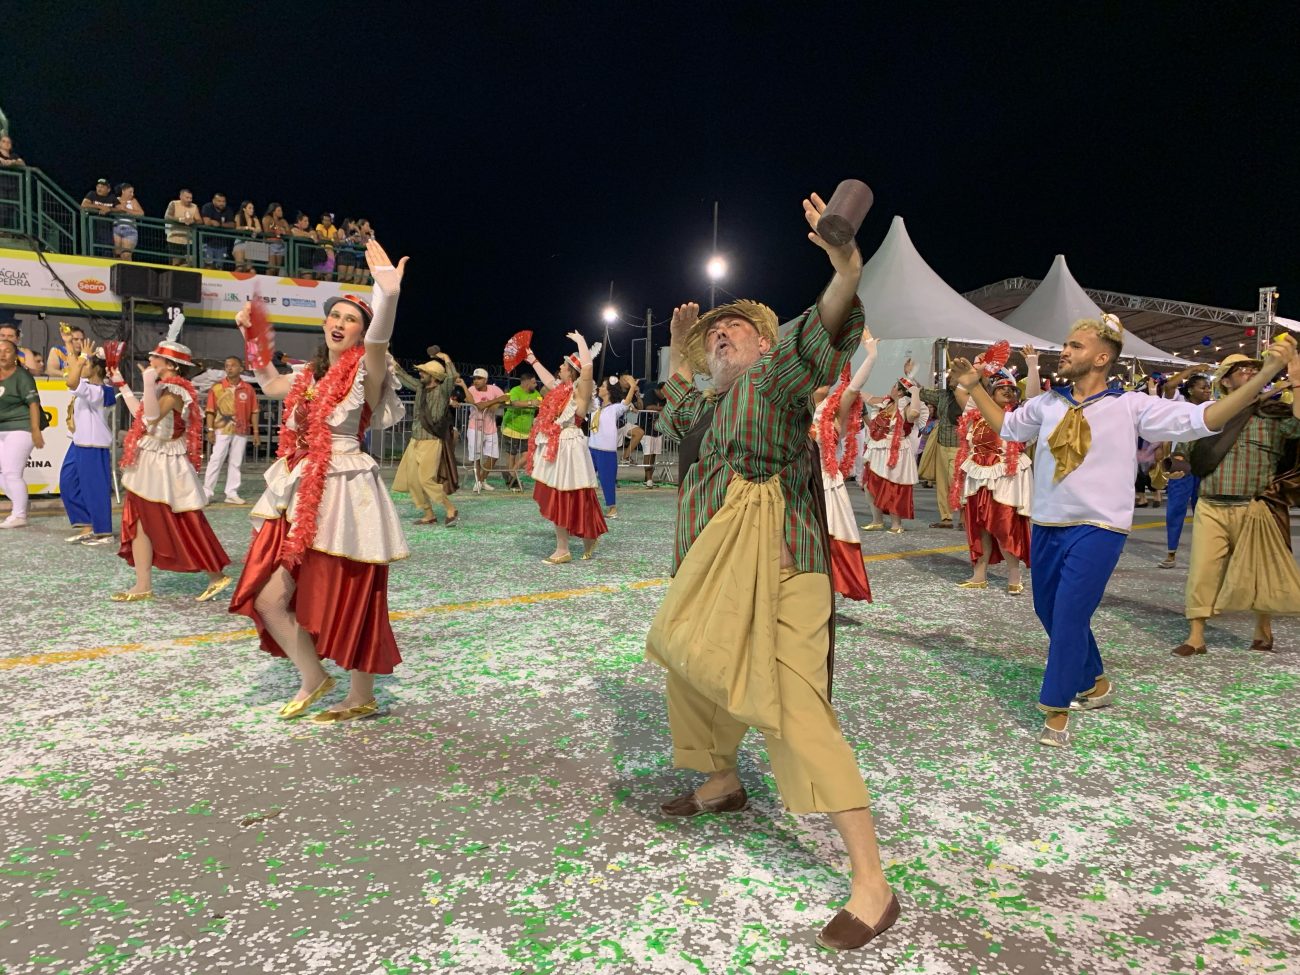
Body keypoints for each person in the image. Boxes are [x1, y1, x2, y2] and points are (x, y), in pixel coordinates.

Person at [646, 193, 896, 953]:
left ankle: (873, 883)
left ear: (765, 344)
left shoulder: (778, 378)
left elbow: (822, 331)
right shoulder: (703, 403)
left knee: (791, 703)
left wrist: (846, 262)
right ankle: (720, 779)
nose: (724, 335)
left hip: (785, 561)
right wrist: (683, 348)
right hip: (706, 565)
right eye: (714, 332)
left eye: (739, 329)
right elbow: (679, 404)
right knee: (689, 670)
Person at [950, 317, 1297, 747]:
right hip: (1047, 524)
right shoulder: (1048, 404)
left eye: (1075, 345)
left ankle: (1055, 711)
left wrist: (1265, 376)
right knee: (1050, 612)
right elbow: (1008, 428)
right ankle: (1095, 682)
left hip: (1100, 528)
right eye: (1066, 343)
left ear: (1100, 357)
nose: (1066, 351)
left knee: (1072, 614)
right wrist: (974, 386)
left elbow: (1205, 418)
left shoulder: (1131, 406)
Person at [229, 241, 410, 722]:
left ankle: (360, 694)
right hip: (303, 485)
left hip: (347, 490)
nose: (340, 322)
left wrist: (387, 297)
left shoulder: (366, 374)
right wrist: (252, 338)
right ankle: (314, 676)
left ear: (361, 330)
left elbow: (378, 346)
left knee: (353, 593)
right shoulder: (309, 377)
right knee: (270, 599)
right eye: (336, 315)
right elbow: (267, 383)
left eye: (352, 318)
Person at [1171, 349, 1300, 657]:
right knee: (1202, 570)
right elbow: (1184, 448)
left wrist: (1295, 384)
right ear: (1226, 382)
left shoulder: (1273, 414)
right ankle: (1196, 636)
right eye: (1243, 371)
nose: (1252, 374)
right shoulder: (1210, 415)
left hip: (1254, 507)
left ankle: (1262, 629)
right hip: (1210, 506)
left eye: (1256, 370)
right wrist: (1175, 464)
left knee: (1258, 572)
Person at [110, 316, 232, 601]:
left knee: (183, 520)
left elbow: (152, 417)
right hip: (151, 459)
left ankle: (216, 574)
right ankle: (143, 585)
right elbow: (142, 414)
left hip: (163, 464)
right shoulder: (164, 389)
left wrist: (148, 384)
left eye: (157, 357)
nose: (151, 358)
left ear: (172, 366)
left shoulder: (176, 391)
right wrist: (124, 386)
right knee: (139, 519)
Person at [523, 336, 607, 563]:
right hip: (557, 444)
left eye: (563, 366)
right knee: (557, 495)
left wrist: (581, 342)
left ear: (571, 372)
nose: (559, 367)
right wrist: (532, 360)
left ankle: (575, 542)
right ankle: (564, 548)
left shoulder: (581, 391)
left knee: (571, 495)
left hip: (570, 446)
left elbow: (587, 369)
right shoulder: (563, 390)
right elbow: (549, 380)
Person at [951, 366, 1032, 593]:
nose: (1007, 392)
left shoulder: (1019, 418)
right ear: (991, 393)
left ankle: (1014, 577)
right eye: (1001, 388)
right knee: (978, 527)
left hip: (1005, 478)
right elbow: (961, 391)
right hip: (977, 476)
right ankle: (979, 575)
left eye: (1012, 389)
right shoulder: (975, 416)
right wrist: (975, 371)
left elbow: (1034, 395)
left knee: (1005, 527)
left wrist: (1033, 363)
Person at [811, 329, 877, 602]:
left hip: (826, 484)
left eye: (827, 378)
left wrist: (871, 353)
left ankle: (824, 595)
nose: (823, 382)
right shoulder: (794, 410)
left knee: (829, 541)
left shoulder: (833, 411)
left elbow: (853, 387)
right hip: (798, 482)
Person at [393, 351, 460, 525]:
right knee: (413, 480)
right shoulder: (420, 388)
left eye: (423, 372)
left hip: (431, 441)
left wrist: (446, 359)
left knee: (426, 479)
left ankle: (450, 508)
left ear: (433, 376)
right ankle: (429, 514)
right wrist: (388, 359)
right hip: (415, 440)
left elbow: (452, 377)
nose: (420, 374)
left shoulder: (442, 391)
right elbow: (403, 376)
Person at [60, 347, 116, 544]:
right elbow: (71, 372)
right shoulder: (86, 384)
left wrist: (83, 356)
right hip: (78, 442)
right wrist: (69, 344)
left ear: (95, 369)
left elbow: (70, 380)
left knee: (95, 488)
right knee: (68, 482)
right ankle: (87, 523)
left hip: (94, 444)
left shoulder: (101, 391)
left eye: (85, 365)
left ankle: (104, 532)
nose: (80, 366)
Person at [861, 372, 928, 533]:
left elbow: (915, 414)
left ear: (899, 391)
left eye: (894, 386)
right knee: (869, 486)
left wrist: (916, 393)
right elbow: (867, 397)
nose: (890, 388)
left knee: (893, 487)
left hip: (896, 452)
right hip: (877, 450)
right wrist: (851, 385)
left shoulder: (906, 408)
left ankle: (896, 524)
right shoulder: (885, 403)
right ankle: (877, 520)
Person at [1158, 372, 1212, 568]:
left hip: (1206, 465)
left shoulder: (1212, 407)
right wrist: (1193, 369)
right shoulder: (1178, 402)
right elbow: (1170, 385)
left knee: (1203, 511)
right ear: (1190, 389)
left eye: (1208, 387)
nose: (1207, 390)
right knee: (1176, 509)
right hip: (1182, 465)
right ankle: (1171, 553)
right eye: (1202, 387)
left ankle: (1203, 554)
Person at [203, 356, 260, 504]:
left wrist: (255, 432)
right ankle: (207, 492)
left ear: (241, 368)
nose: (229, 368)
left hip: (241, 429)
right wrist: (209, 429)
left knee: (236, 462)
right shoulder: (217, 388)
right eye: (227, 365)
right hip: (222, 428)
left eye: (233, 365)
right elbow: (210, 410)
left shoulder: (248, 389)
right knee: (216, 459)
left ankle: (231, 493)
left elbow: (254, 411)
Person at [0, 337, 43, 528]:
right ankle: (21, 501)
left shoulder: (22, 376)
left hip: (21, 427)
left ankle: (19, 515)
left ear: (15, 356)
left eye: (7, 351)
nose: (2, 354)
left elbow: (34, 404)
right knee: (7, 474)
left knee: (11, 472)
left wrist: (35, 431)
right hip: (2, 428)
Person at [916, 364, 964, 529]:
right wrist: (912, 375)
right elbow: (923, 392)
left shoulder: (969, 396)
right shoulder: (944, 395)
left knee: (958, 482)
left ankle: (965, 518)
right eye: (949, 376)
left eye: (954, 375)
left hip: (960, 445)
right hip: (943, 444)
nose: (950, 378)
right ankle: (946, 518)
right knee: (942, 483)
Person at [589, 374, 638, 518]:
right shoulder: (595, 405)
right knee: (586, 478)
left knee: (607, 480)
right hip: (591, 448)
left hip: (606, 451)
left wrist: (633, 387)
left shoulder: (615, 408)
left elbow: (626, 402)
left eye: (603, 386)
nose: (600, 388)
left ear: (609, 391)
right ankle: (587, 506)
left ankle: (612, 509)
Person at [458, 368, 506, 492]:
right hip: (475, 427)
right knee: (476, 457)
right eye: (474, 378)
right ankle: (479, 481)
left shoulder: (494, 389)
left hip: (490, 427)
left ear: (485, 379)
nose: (476, 381)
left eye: (479, 378)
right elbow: (478, 406)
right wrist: (495, 401)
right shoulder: (471, 390)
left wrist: (492, 404)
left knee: (494, 456)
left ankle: (480, 480)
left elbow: (503, 399)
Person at [501, 369, 543, 490]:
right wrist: (530, 403)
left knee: (529, 455)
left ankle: (511, 473)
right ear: (526, 383)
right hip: (511, 428)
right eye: (534, 383)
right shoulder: (515, 390)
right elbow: (514, 403)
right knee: (511, 455)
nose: (536, 385)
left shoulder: (536, 393)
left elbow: (541, 403)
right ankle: (512, 482)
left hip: (526, 432)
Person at [634, 381, 667, 487]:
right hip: (646, 428)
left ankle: (648, 478)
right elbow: (647, 407)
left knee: (654, 453)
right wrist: (661, 409)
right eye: (665, 390)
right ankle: (648, 478)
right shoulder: (650, 393)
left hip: (658, 429)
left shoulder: (666, 398)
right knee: (648, 453)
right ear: (659, 389)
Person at [164, 188, 202, 266]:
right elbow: (167, 216)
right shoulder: (173, 203)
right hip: (174, 238)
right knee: (176, 262)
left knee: (190, 262)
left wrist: (193, 221)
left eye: (191, 198)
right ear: (181, 196)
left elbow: (200, 221)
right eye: (187, 198)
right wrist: (181, 220)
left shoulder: (194, 206)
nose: (189, 200)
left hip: (189, 240)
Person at [200, 192, 236, 270]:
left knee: (219, 267)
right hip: (207, 242)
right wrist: (212, 222)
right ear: (213, 201)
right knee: (208, 266)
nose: (222, 203)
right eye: (219, 201)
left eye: (223, 201)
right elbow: (207, 222)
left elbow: (232, 224)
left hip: (222, 245)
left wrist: (219, 224)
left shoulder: (228, 210)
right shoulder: (207, 207)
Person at [81, 179, 116, 257]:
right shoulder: (92, 194)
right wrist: (100, 207)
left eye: (102, 187)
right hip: (92, 226)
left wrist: (109, 209)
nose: (99, 188)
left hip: (107, 228)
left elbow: (121, 209)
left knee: (107, 248)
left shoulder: (112, 197)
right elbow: (84, 204)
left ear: (108, 189)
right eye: (98, 186)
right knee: (91, 246)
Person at [112, 183, 144, 260]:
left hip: (130, 229)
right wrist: (119, 209)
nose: (132, 194)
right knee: (117, 254)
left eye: (133, 192)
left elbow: (141, 213)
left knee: (126, 255)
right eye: (130, 192)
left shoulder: (133, 201)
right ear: (123, 191)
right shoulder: (115, 199)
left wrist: (126, 210)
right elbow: (110, 209)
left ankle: (128, 271)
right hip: (117, 228)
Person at [232, 200, 261, 272]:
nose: (252, 210)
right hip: (240, 243)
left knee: (250, 269)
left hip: (250, 244)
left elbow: (259, 229)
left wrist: (255, 229)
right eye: (250, 208)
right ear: (244, 209)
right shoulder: (238, 216)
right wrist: (247, 228)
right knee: (240, 267)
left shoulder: (255, 218)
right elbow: (237, 227)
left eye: (253, 208)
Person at [261, 203, 289, 276]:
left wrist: (284, 231)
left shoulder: (283, 221)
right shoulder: (267, 218)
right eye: (279, 210)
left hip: (280, 245)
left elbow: (289, 232)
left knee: (277, 269)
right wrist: (276, 231)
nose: (281, 212)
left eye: (281, 210)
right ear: (273, 211)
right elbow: (266, 231)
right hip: (270, 244)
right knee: (271, 268)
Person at [289, 211, 317, 277]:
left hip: (307, 263)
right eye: (305, 221)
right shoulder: (293, 227)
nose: (307, 223)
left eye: (308, 221)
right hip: (294, 263)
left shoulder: (310, 228)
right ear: (299, 221)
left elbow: (315, 236)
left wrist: (311, 235)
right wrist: (310, 236)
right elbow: (295, 232)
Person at [313, 213, 338, 280]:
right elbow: (320, 237)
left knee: (329, 274)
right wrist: (331, 239)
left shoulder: (333, 227)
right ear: (322, 221)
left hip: (330, 251)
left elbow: (336, 240)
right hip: (320, 250)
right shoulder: (319, 226)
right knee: (319, 274)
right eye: (325, 220)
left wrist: (330, 239)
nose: (327, 222)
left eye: (329, 220)